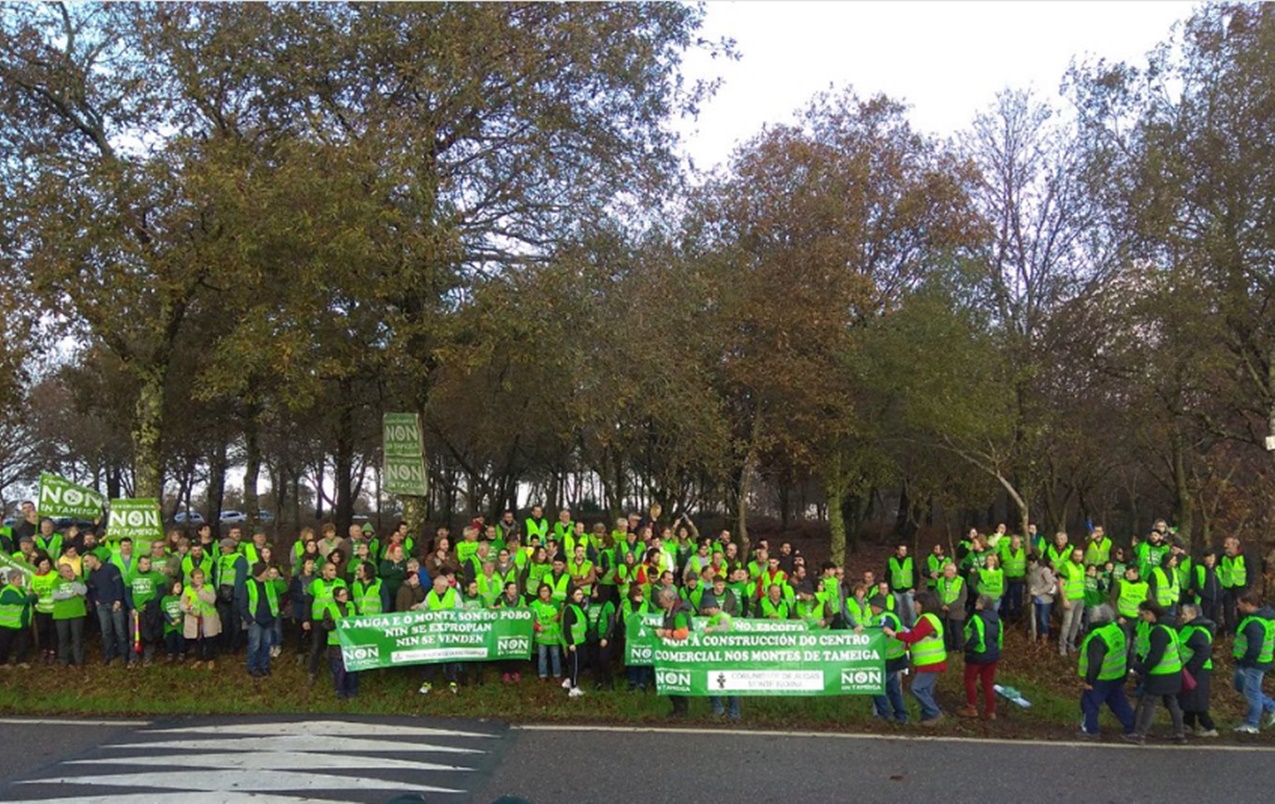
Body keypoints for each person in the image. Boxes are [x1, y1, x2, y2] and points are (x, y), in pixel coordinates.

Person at [1125, 601, 1186, 745]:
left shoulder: (1158, 631)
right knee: (1171, 702)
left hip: (1160, 674)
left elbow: (1155, 656)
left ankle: (1140, 734)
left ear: (1151, 614)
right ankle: (1179, 733)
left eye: (1144, 613)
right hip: (1174, 672)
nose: (1143, 617)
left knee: (1149, 702)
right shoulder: (1170, 628)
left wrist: (1140, 668)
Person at [884, 591, 946, 726]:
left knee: (917, 688)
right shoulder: (931, 618)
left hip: (929, 661)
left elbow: (914, 636)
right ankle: (927, 718)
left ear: (923, 604)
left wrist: (894, 634)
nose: (914, 606)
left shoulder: (925, 619)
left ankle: (934, 713)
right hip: (934, 660)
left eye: (916, 603)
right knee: (926, 690)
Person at [1077, 604, 1135, 738]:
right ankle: (1132, 725)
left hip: (1102, 677)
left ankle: (1090, 729)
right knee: (1118, 702)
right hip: (1117, 674)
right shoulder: (1117, 629)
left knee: (1089, 703)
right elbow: (1127, 652)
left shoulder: (1097, 637)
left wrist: (1089, 681)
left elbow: (1095, 662)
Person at [1231, 591, 1275, 734]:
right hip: (1257, 661)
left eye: (1239, 604)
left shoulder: (1255, 623)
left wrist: (1245, 662)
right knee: (1242, 686)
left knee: (1252, 692)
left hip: (1253, 663)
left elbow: (1255, 647)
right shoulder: (1262, 618)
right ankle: (1271, 707)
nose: (1237, 607)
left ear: (1248, 604)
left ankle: (1252, 724)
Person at [958, 594, 1002, 720]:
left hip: (977, 655)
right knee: (988, 683)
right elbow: (999, 638)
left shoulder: (977, 619)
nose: (976, 603)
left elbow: (975, 638)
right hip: (992, 655)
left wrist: (966, 649)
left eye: (978, 601)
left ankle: (971, 708)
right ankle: (990, 711)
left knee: (969, 680)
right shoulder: (997, 619)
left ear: (983, 604)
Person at [1177, 603, 1217, 737]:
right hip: (1192, 669)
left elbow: (1203, 652)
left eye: (1185, 614)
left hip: (1199, 670)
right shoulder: (1189, 628)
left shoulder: (1198, 631)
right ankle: (1188, 724)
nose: (1182, 616)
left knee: (1197, 701)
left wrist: (1190, 668)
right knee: (1189, 698)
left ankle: (1209, 726)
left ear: (1193, 615)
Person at [418, 575, 461, 695]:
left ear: (443, 586)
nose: (433, 587)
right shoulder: (431, 594)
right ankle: (428, 681)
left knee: (451, 656)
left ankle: (452, 681)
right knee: (432, 656)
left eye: (436, 585)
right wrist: (419, 607)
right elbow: (425, 605)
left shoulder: (453, 594)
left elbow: (459, 609)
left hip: (449, 631)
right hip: (434, 631)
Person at [84, 551, 128, 666]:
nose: (86, 564)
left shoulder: (111, 568)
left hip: (115, 604)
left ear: (94, 558)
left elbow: (119, 585)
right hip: (102, 606)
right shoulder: (91, 574)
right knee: (106, 632)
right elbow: (92, 589)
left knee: (120, 631)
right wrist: (97, 601)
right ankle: (109, 655)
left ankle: (124, 656)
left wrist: (118, 600)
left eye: (87, 561)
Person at [869, 594, 908, 725]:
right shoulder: (884, 616)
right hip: (894, 658)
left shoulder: (886, 617)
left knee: (877, 687)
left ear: (877, 606)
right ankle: (901, 716)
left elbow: (883, 630)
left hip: (889, 660)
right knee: (893, 690)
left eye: (872, 606)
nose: (870, 608)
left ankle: (884, 715)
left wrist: (865, 631)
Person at [701, 594, 741, 720]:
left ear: (711, 607)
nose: (704, 612)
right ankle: (722, 711)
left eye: (705, 609)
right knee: (716, 683)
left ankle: (730, 712)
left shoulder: (723, 617)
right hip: (719, 655)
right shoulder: (717, 617)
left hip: (726, 656)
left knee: (727, 684)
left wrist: (712, 629)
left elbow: (726, 628)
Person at [655, 587, 692, 718]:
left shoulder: (679, 614)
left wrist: (665, 633)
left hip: (680, 653)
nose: (659, 601)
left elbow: (683, 634)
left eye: (661, 599)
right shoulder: (668, 612)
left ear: (668, 599)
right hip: (672, 652)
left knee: (678, 681)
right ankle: (677, 709)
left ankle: (682, 710)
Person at [239, 561, 280, 678]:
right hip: (255, 621)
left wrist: (274, 615)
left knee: (266, 645)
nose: (268, 573)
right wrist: (250, 620)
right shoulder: (248, 584)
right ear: (260, 573)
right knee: (255, 645)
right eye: (266, 571)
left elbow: (273, 599)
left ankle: (264, 666)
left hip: (269, 619)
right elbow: (243, 604)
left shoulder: (269, 584)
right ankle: (252, 667)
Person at [321, 585, 359, 698]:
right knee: (338, 669)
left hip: (351, 642)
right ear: (336, 597)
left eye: (346, 594)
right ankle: (340, 692)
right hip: (336, 643)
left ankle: (352, 692)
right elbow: (325, 625)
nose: (345, 597)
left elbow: (358, 620)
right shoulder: (329, 608)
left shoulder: (352, 605)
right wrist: (335, 623)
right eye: (342, 595)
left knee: (352, 668)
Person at [181, 567, 221, 669]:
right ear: (192, 579)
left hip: (209, 618)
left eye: (201, 578)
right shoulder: (187, 589)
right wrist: (188, 610)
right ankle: (199, 659)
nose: (200, 580)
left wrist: (201, 591)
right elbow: (182, 603)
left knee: (210, 639)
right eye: (197, 578)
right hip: (194, 618)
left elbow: (211, 600)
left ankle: (210, 659)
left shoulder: (209, 588)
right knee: (198, 640)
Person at [50, 563, 87, 668]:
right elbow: (56, 596)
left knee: (77, 637)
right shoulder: (56, 581)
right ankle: (64, 660)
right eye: (67, 571)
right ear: (61, 573)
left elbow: (83, 591)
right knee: (63, 638)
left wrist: (74, 581)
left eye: (70, 570)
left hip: (77, 612)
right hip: (61, 614)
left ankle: (78, 660)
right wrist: (71, 594)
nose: (70, 572)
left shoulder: (78, 579)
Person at [0, 569, 36, 667]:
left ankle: (21, 661)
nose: (21, 581)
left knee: (23, 643)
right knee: (5, 644)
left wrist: (33, 596)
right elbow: (21, 601)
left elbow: (29, 601)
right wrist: (33, 596)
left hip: (22, 623)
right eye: (18, 579)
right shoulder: (8, 591)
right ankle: (2, 662)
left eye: (21, 578)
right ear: (11, 580)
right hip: (8, 624)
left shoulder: (22, 589)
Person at [584, 584, 616, 690]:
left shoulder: (608, 605)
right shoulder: (591, 604)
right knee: (594, 660)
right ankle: (597, 681)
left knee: (604, 660)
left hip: (604, 638)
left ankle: (609, 682)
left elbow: (611, 622)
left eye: (595, 590)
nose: (593, 592)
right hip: (593, 637)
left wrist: (606, 637)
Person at [1219, 537, 1253, 635]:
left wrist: (1248, 586)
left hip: (1241, 587)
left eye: (1228, 544)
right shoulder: (1222, 557)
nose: (1225, 546)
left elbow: (1251, 572)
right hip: (1227, 587)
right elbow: (1218, 571)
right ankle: (1230, 631)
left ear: (1235, 546)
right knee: (1227, 610)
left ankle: (1243, 629)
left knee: (1242, 610)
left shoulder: (1245, 557)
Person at [1058, 547, 1087, 656]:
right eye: (1076, 555)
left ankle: (1071, 644)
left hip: (1080, 598)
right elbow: (1060, 583)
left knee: (1076, 623)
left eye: (1080, 555)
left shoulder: (1082, 567)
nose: (1078, 557)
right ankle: (1062, 646)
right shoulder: (1066, 566)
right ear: (1072, 555)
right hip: (1070, 598)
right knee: (1067, 623)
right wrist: (1064, 599)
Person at [561, 586, 588, 698]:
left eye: (581, 594)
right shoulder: (569, 609)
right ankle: (573, 687)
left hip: (581, 640)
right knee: (575, 665)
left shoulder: (579, 607)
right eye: (577, 594)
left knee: (581, 662)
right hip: (574, 643)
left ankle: (569, 680)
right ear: (572, 595)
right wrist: (570, 642)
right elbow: (566, 627)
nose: (580, 597)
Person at [935, 563, 966, 652]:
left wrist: (951, 607)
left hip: (956, 611)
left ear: (953, 571)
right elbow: (936, 594)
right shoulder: (940, 581)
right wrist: (941, 605)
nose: (944, 571)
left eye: (947, 570)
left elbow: (963, 597)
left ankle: (958, 648)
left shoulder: (961, 581)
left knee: (956, 631)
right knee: (944, 630)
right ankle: (946, 647)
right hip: (942, 610)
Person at [886, 544, 916, 627]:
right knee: (899, 609)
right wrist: (891, 589)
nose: (904, 552)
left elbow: (915, 573)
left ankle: (913, 626)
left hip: (908, 588)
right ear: (897, 551)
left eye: (905, 550)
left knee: (911, 609)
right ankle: (901, 626)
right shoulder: (891, 560)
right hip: (896, 589)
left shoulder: (910, 560)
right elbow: (888, 575)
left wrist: (914, 587)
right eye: (902, 550)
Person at [160, 579, 185, 663]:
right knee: (170, 640)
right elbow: (164, 612)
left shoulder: (181, 598)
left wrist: (180, 619)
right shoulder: (165, 599)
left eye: (180, 586)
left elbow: (184, 611)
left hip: (180, 625)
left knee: (180, 640)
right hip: (169, 625)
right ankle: (170, 653)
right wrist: (170, 621)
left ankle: (181, 653)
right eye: (177, 586)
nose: (179, 588)